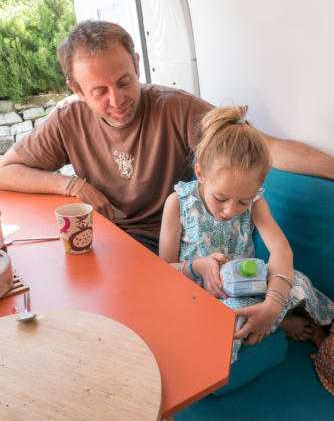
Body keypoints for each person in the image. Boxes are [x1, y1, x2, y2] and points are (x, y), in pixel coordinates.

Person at [0, 20, 334, 255]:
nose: (116, 101)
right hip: (105, 240)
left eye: (124, 82)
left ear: (137, 64)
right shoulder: (67, 118)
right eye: (99, 91)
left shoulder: (177, 109)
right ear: (77, 90)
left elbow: (265, 146)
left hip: (168, 245)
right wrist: (70, 185)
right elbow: (6, 170)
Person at [159, 105, 334, 362]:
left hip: (249, 287)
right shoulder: (178, 203)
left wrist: (273, 304)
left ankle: (271, 319)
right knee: (227, 321)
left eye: (243, 201)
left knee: (299, 282)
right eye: (221, 198)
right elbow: (163, 271)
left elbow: (281, 250)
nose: (231, 210)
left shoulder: (256, 204)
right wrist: (197, 267)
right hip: (204, 300)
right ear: (201, 174)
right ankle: (281, 326)